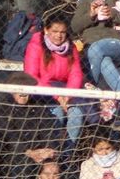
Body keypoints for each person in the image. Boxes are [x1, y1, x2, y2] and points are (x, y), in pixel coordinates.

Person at [0, 74, 60, 179]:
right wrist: (29, 152)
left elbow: (49, 129)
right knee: (23, 165)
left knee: (53, 164)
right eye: (19, 90)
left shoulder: (38, 107)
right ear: (11, 91)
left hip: (38, 154)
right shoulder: (1, 108)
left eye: (26, 91)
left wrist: (49, 150)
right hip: (9, 155)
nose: (23, 94)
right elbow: (9, 135)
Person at [24, 15, 87, 144]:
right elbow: (31, 76)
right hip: (44, 92)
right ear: (46, 30)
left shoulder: (71, 47)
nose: (59, 36)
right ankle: (53, 150)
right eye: (55, 31)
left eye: (63, 32)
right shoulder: (36, 44)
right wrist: (57, 97)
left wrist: (67, 96)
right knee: (56, 113)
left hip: (67, 92)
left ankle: (67, 155)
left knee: (76, 115)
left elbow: (76, 74)